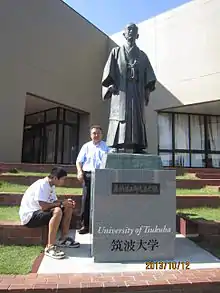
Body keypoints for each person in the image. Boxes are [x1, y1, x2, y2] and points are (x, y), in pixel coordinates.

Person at [101, 23, 157, 154]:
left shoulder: (142, 56)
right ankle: (115, 145)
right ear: (124, 34)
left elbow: (150, 76)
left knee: (137, 117)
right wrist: (109, 86)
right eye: (128, 30)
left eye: (134, 30)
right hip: (120, 91)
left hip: (137, 91)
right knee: (120, 116)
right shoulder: (116, 52)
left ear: (137, 35)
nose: (131, 32)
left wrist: (147, 90)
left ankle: (139, 146)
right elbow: (107, 73)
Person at [19, 167, 80, 259]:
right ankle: (49, 247)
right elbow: (44, 206)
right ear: (55, 178)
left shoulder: (51, 185)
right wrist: (61, 203)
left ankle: (63, 239)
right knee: (58, 211)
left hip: (40, 212)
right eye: (63, 179)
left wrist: (66, 202)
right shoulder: (42, 185)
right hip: (30, 216)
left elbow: (54, 202)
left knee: (68, 206)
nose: (64, 182)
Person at [76, 125, 109, 234]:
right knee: (86, 200)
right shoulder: (86, 146)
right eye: (94, 133)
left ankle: (101, 225)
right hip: (88, 175)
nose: (96, 135)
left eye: (98, 133)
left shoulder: (107, 147)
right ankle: (84, 225)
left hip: (102, 175)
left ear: (102, 135)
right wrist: (79, 172)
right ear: (90, 135)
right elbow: (79, 161)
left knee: (102, 200)